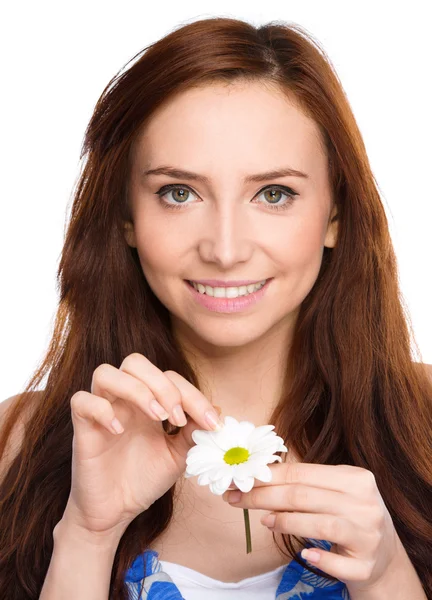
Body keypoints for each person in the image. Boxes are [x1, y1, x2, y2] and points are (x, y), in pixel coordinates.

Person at [0, 16, 431, 600]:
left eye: (274, 194)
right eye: (179, 193)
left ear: (335, 216)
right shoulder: (17, 440)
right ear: (126, 216)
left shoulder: (423, 421)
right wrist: (86, 535)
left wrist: (386, 577)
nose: (225, 250)